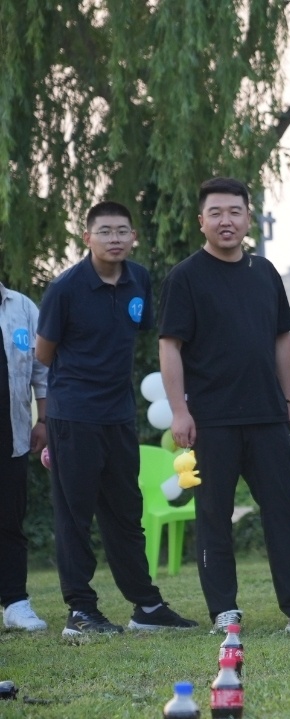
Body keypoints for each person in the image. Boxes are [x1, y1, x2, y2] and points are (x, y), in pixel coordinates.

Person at [159, 177, 290, 633]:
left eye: (235, 211)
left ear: (248, 218)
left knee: (284, 512)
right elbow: (170, 346)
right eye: (216, 213)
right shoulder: (185, 276)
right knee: (214, 515)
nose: (225, 221)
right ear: (201, 221)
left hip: (268, 413)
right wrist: (179, 411)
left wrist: (289, 398)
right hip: (211, 418)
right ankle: (223, 610)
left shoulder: (264, 272)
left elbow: (282, 339)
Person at [34, 202, 197, 636]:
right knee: (75, 515)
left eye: (122, 231)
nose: (114, 239)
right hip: (74, 416)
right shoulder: (65, 288)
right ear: (87, 237)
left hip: (119, 415)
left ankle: (146, 606)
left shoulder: (138, 279)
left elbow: (136, 334)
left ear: (133, 237)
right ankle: (80, 611)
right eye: (105, 231)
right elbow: (44, 353)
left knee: (126, 512)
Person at [0, 280, 47, 632]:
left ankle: (15, 602)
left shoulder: (22, 307)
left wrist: (42, 420)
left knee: (10, 519)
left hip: (11, 434)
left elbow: (42, 369)